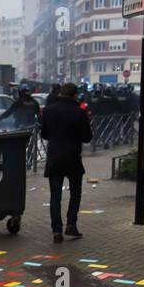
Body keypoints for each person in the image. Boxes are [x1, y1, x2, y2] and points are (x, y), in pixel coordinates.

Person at [40, 84, 92, 244]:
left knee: (55, 196)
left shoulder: (48, 110)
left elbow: (44, 134)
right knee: (75, 193)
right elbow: (87, 137)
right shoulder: (79, 112)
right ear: (75, 95)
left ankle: (56, 231)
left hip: (54, 158)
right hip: (73, 158)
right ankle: (71, 224)